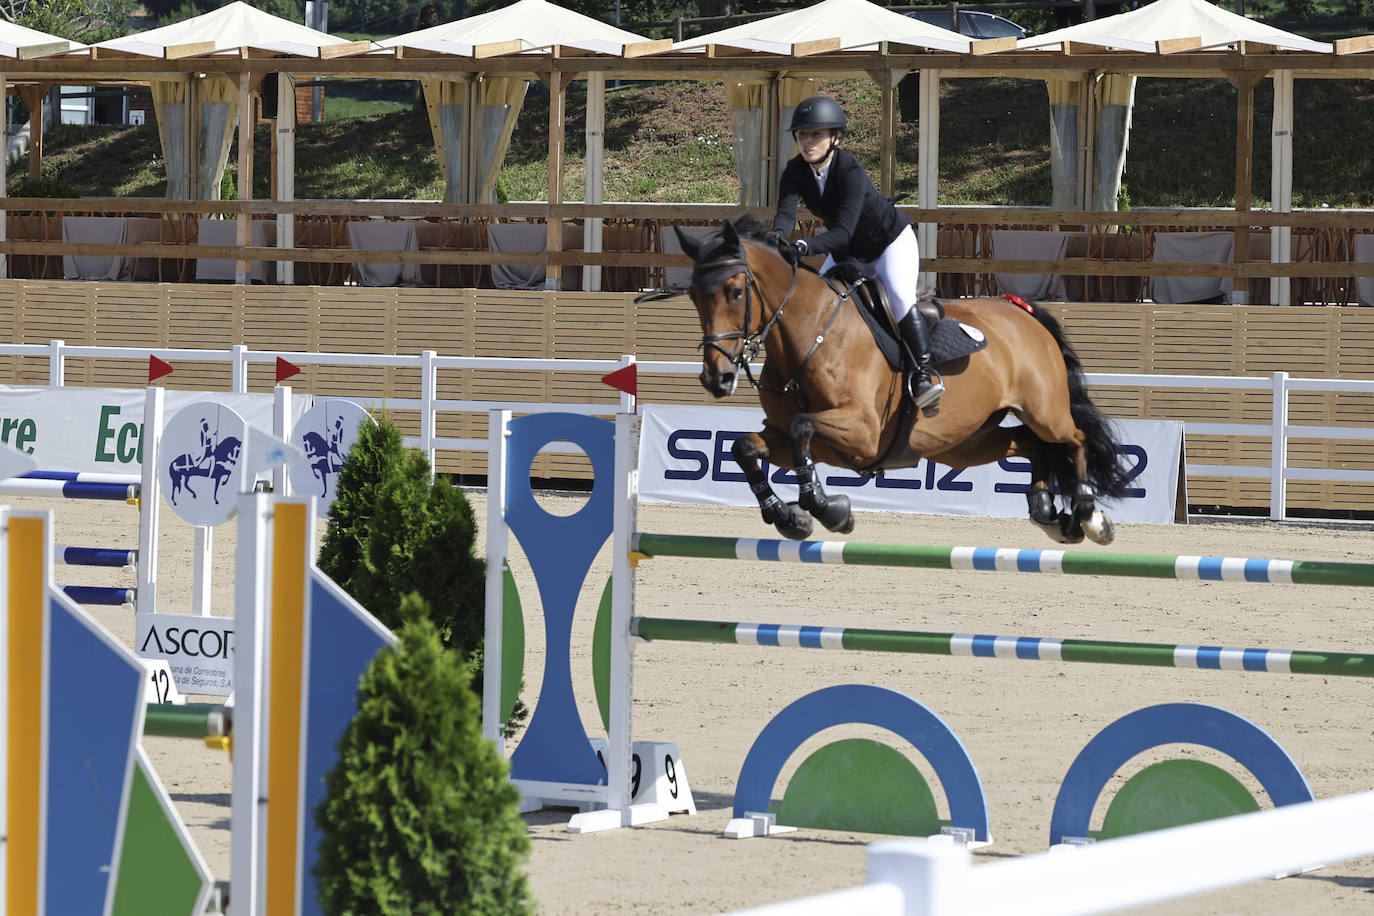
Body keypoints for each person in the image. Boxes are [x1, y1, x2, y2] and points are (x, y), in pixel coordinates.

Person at [766, 95, 943, 414]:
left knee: (901, 299)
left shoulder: (849, 170)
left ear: (835, 137)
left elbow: (842, 231)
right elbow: (785, 215)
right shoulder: (794, 171)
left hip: (889, 244)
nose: (807, 142)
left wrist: (805, 246)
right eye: (802, 135)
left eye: (816, 135)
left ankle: (923, 377)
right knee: (814, 305)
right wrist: (776, 238)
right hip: (848, 250)